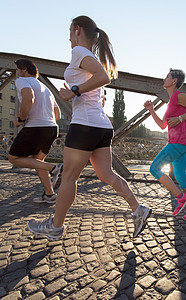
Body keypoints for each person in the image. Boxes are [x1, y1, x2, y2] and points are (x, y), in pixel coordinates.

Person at [28, 16, 151, 240]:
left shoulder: (79, 53)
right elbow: (98, 86)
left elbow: (103, 78)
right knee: (106, 174)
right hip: (101, 126)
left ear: (77, 30)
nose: (68, 37)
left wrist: (74, 90)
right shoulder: (91, 57)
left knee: (68, 177)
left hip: (85, 125)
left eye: (69, 31)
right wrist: (77, 92)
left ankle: (54, 227)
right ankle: (138, 209)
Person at [144, 69, 186, 221]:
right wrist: (151, 110)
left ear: (174, 81)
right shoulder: (170, 102)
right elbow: (162, 125)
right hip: (179, 144)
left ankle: (180, 197)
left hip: (178, 143)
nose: (164, 79)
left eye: (167, 76)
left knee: (154, 168)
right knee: (181, 178)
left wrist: (180, 118)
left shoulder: (180, 96)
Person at [8, 59, 63, 204]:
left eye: (17, 70)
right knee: (37, 161)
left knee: (13, 158)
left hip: (36, 127)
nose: (16, 73)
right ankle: (50, 195)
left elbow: (28, 97)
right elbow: (58, 114)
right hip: (52, 128)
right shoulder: (45, 88)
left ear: (24, 69)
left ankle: (55, 168)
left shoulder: (21, 81)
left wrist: (20, 119)